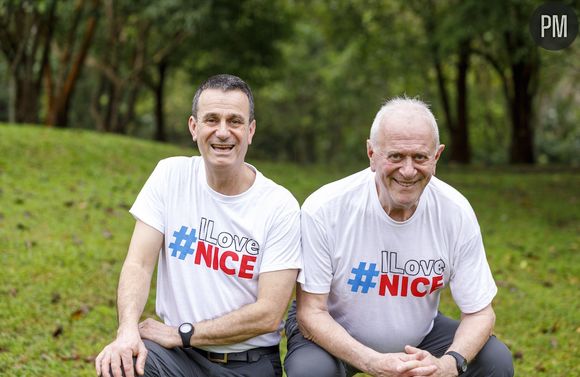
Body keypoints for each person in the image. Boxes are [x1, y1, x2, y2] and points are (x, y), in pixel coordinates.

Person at [284, 97, 514, 377]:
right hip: (333, 330)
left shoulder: (455, 211)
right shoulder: (325, 209)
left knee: (495, 360)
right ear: (371, 154)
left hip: (419, 333)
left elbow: (480, 313)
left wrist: (450, 363)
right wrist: (372, 362)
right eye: (395, 156)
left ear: (437, 157)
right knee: (311, 371)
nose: (408, 171)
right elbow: (311, 313)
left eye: (420, 157)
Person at [95, 74, 301, 377]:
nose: (222, 132)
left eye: (234, 121)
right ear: (194, 127)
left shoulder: (279, 206)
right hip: (176, 357)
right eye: (211, 120)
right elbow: (138, 264)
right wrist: (127, 331)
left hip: (247, 364)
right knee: (120, 367)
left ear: (251, 130)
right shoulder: (170, 176)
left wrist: (183, 333)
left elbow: (269, 314)